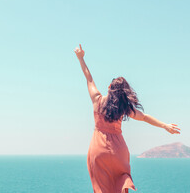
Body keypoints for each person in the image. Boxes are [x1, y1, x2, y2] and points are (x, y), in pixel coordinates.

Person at [74, 44, 181, 193]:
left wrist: (80, 58)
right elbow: (144, 117)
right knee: (120, 180)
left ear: (109, 86)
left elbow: (89, 78)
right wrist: (165, 125)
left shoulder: (97, 100)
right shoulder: (123, 109)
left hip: (99, 151)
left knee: (102, 187)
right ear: (123, 94)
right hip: (119, 151)